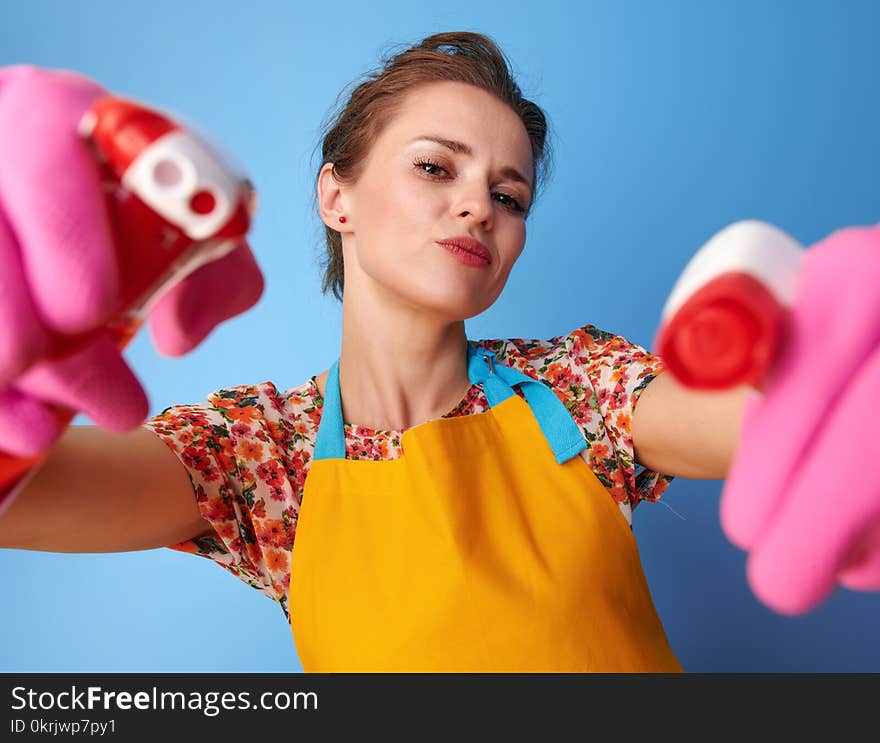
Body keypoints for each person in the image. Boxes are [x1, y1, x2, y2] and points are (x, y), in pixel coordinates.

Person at [0, 32, 872, 671]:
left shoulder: (575, 384)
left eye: (509, 192)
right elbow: (23, 498)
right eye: (434, 168)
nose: (479, 207)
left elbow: (757, 419)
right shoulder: (260, 452)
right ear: (336, 196)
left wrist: (825, 372)